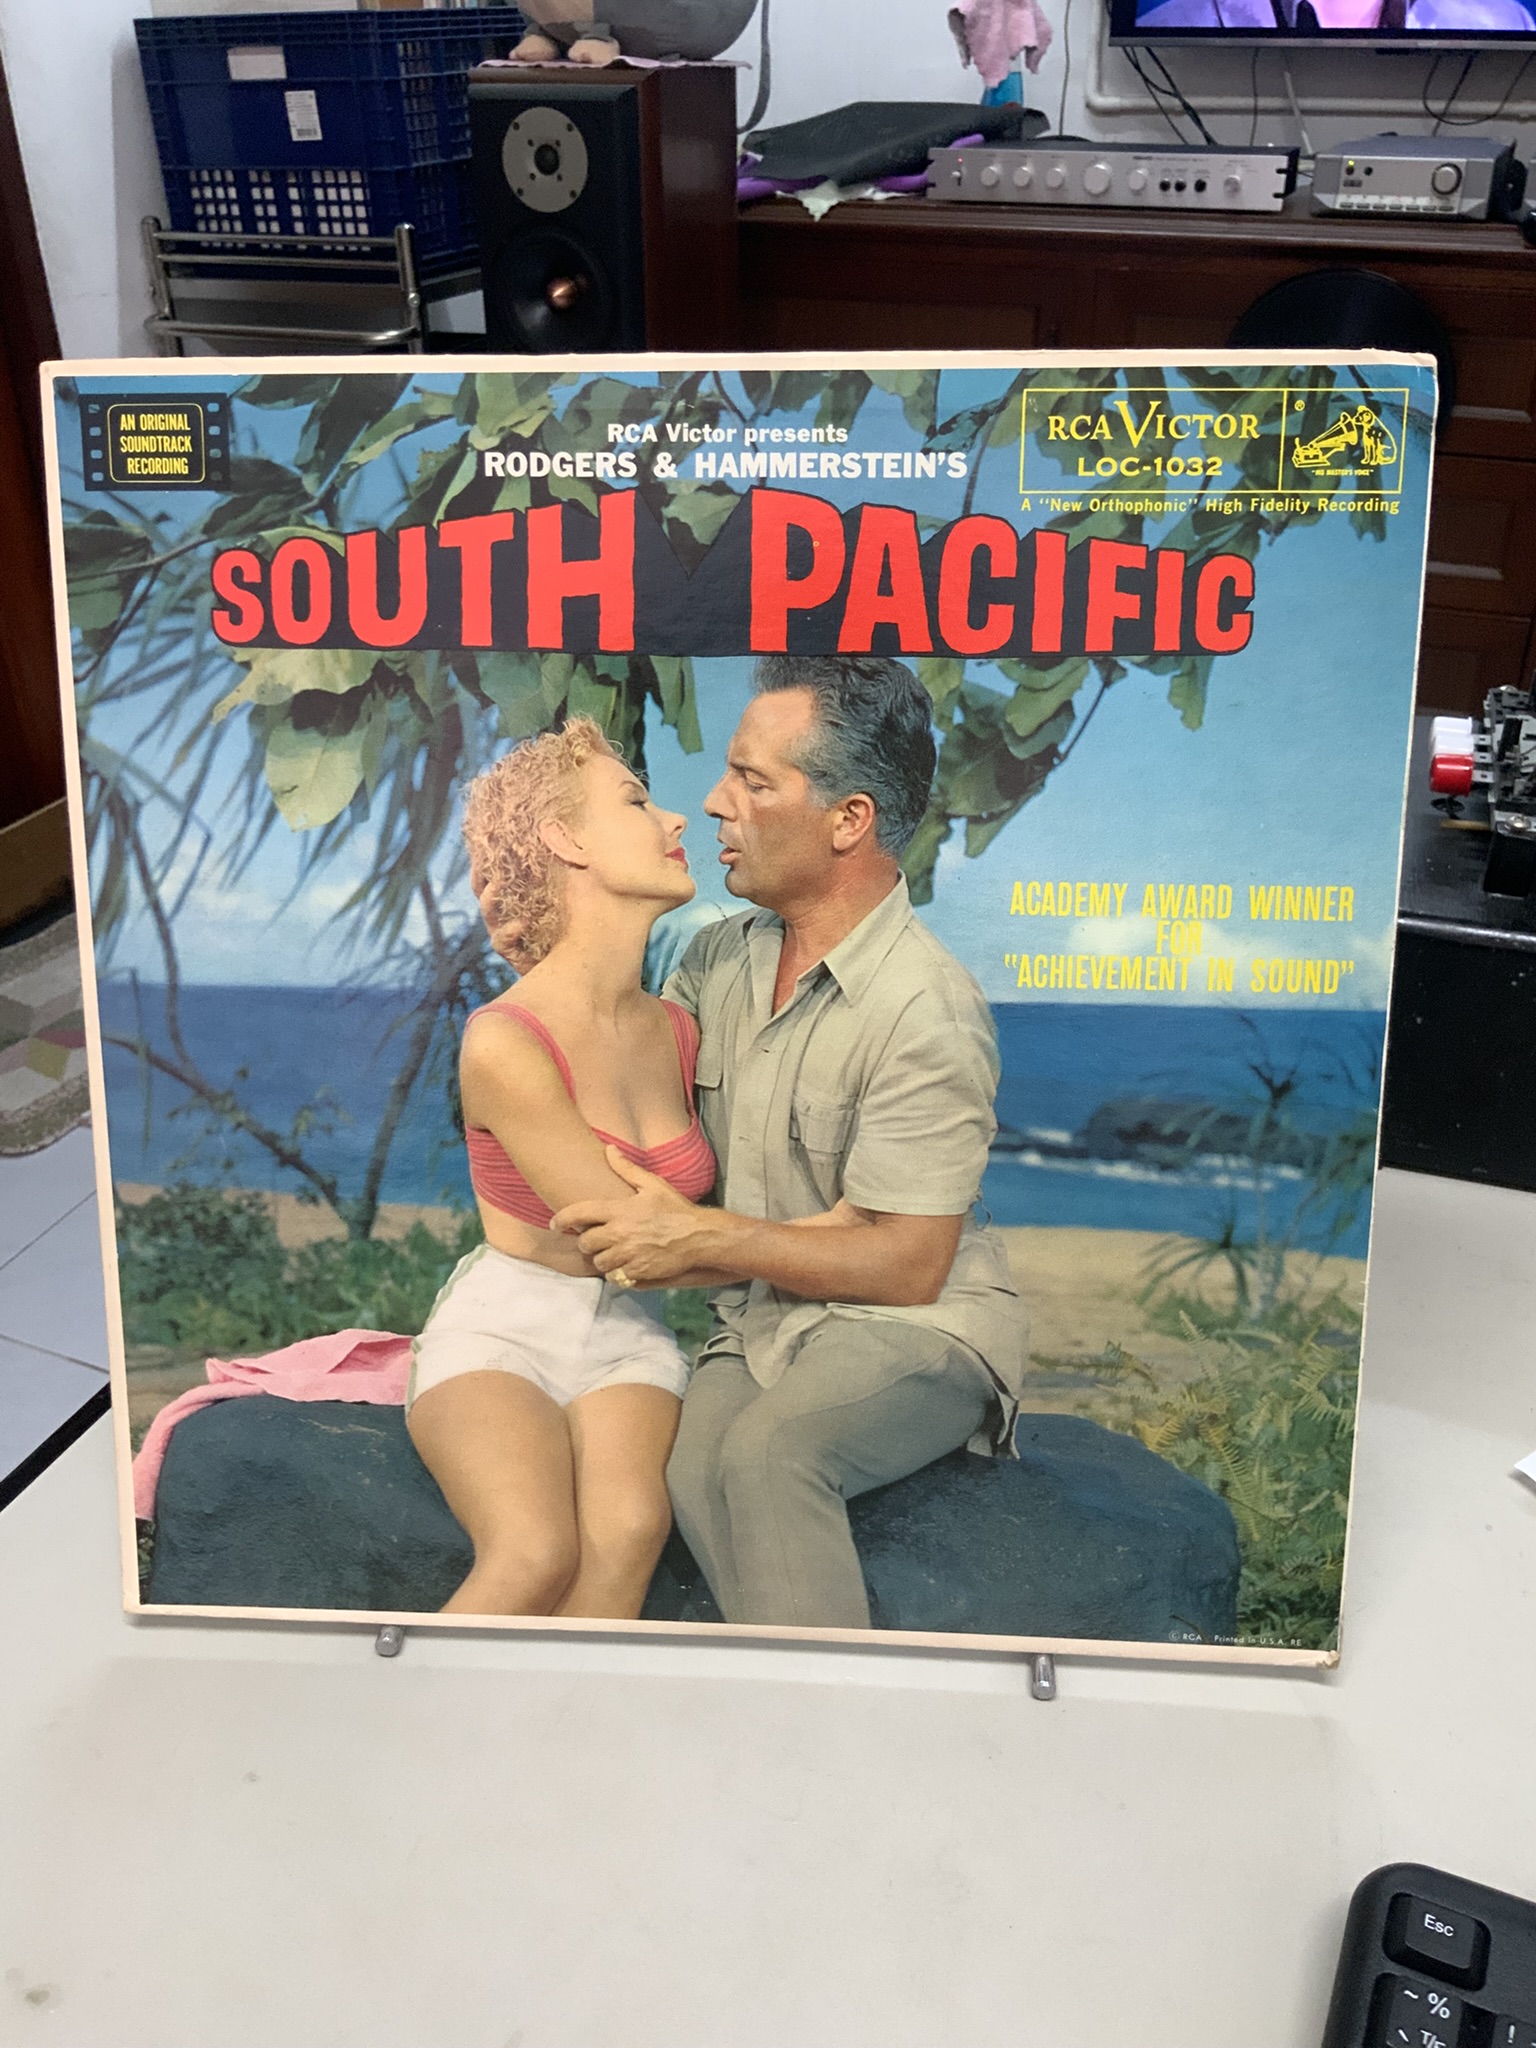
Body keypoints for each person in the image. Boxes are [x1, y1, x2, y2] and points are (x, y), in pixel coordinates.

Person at [553, 656, 1028, 1632]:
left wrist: (704, 1238)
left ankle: (826, 1715)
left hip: (920, 1328)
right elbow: (630, 1112)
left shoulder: (928, 1010)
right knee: (692, 1467)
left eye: (753, 781)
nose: (715, 803)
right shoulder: (717, 958)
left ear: (848, 820)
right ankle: (792, 1691)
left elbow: (909, 1264)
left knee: (772, 1453)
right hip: (764, 1318)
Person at [405, 716, 715, 1621]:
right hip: (504, 1330)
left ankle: (571, 1719)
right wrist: (821, 1250)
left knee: (627, 1534)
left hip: (631, 1339)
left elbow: (668, 1249)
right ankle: (406, 1716)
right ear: (565, 840)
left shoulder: (680, 1029)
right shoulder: (505, 1040)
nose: (675, 820)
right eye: (637, 801)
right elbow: (623, 1244)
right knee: (534, 1552)